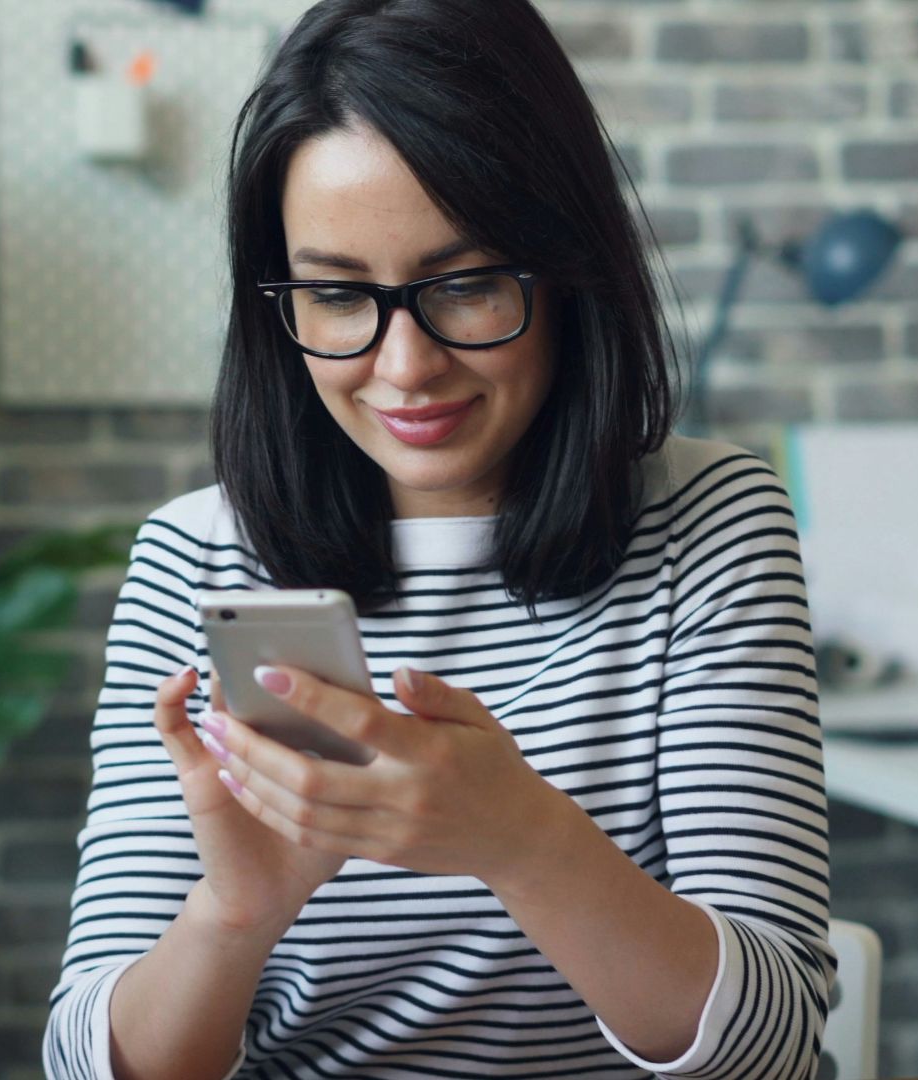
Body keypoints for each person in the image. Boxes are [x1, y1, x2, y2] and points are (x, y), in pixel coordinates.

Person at [43, 1, 835, 1076]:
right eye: (335, 295)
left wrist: (520, 838)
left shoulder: (709, 524)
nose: (404, 368)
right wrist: (233, 915)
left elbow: (776, 1047)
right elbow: (87, 1062)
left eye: (463, 286)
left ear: (566, 272)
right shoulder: (198, 557)